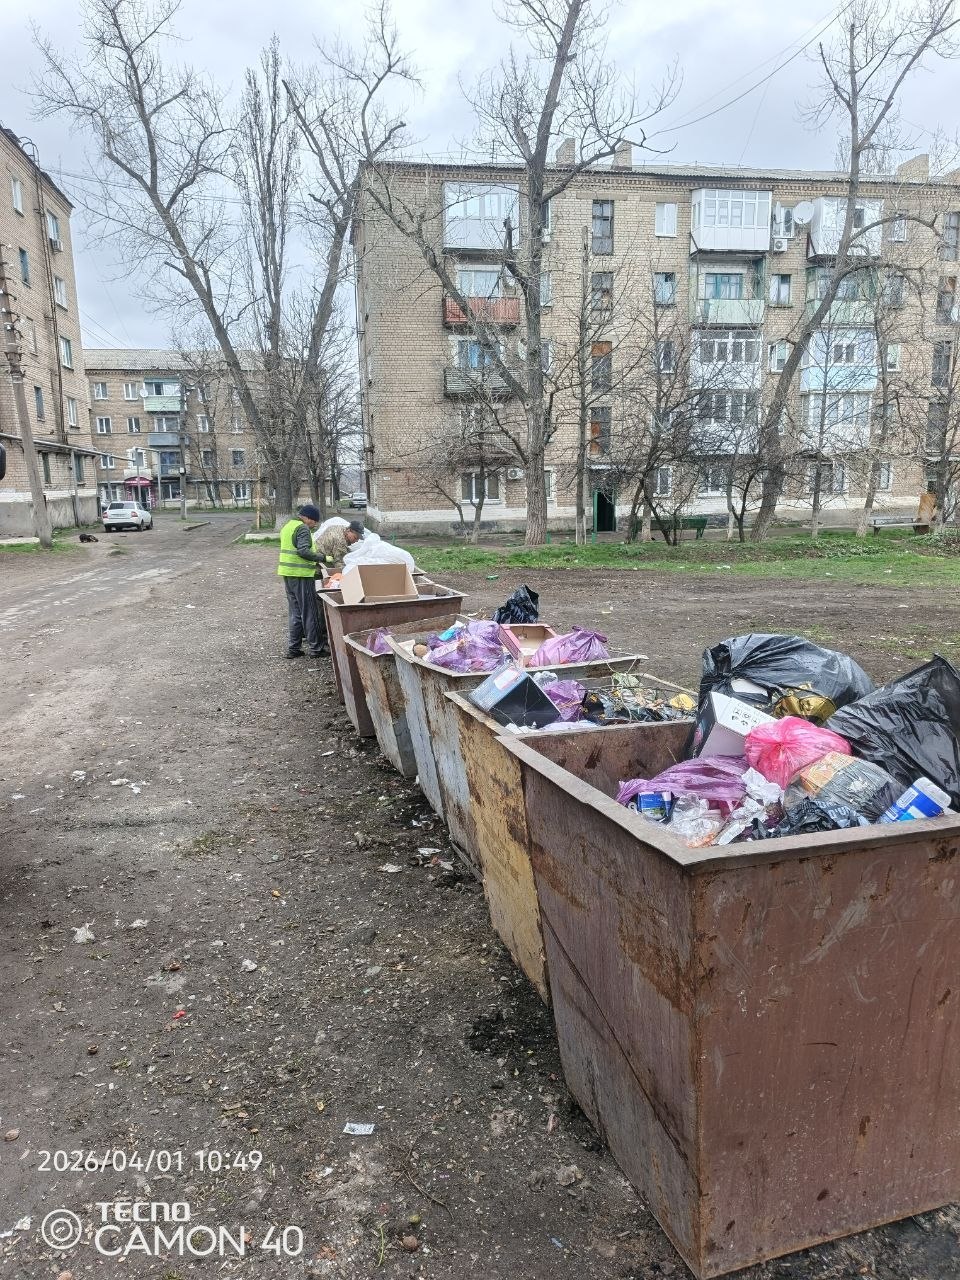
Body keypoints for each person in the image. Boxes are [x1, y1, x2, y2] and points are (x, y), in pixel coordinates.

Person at [277, 504, 329, 659]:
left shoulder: (288, 526)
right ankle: (316, 649)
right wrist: (322, 557)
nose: (314, 525)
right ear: (307, 518)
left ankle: (294, 649)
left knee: (295, 613)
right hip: (301, 575)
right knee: (310, 612)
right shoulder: (302, 528)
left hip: (288, 574)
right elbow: (303, 550)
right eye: (314, 521)